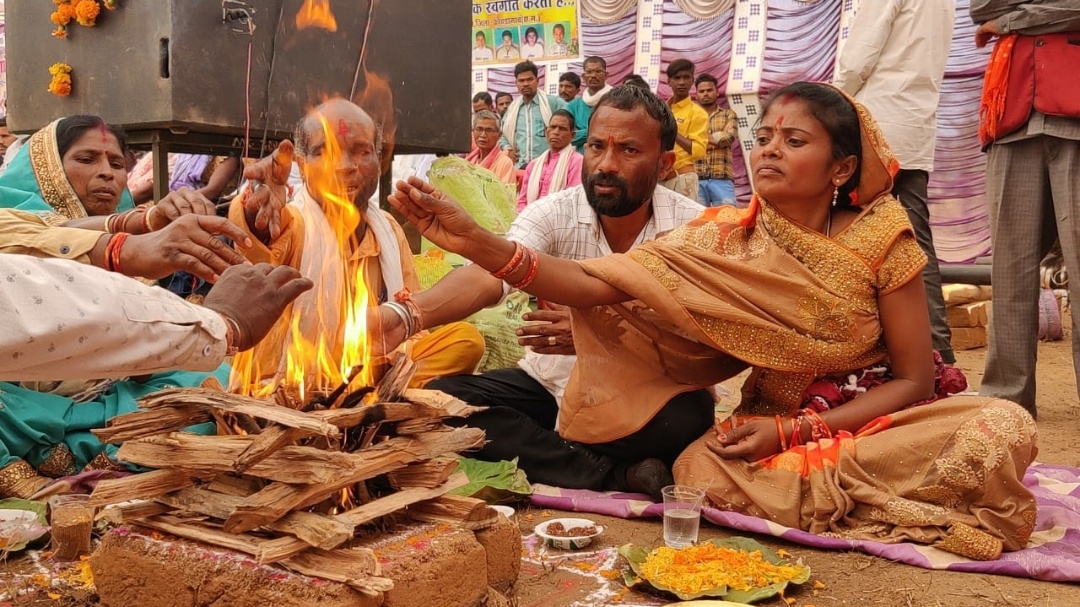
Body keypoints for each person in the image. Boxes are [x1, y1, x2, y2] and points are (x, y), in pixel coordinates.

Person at [388, 82, 1037, 559]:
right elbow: (592, 281)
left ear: (842, 167)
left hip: (870, 418)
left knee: (1001, 423)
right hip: (753, 419)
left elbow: (915, 378)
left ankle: (869, 485)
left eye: (794, 140)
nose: (769, 151)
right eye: (764, 138)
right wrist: (477, 244)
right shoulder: (727, 238)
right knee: (696, 471)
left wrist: (796, 427)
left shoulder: (883, 238)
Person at [382, 85, 706, 501]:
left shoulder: (693, 229)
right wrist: (403, 317)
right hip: (550, 385)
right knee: (441, 401)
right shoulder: (554, 211)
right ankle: (611, 475)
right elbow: (490, 277)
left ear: (664, 165)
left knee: (687, 418)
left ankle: (560, 457)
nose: (606, 164)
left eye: (628, 151)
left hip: (643, 398)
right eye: (596, 146)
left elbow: (702, 335)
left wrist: (598, 337)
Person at [0, 255, 311, 499]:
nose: (107, 175)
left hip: (109, 389)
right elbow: (23, 306)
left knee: (215, 381)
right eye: (87, 166)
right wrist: (216, 324)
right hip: (29, 408)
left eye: (118, 167)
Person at [232, 98, 484, 394]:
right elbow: (258, 234)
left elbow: (412, 320)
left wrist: (389, 343)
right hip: (288, 381)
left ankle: (364, 395)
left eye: (361, 151)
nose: (344, 167)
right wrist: (253, 207)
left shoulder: (388, 229)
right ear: (301, 163)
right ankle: (365, 396)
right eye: (324, 152)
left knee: (466, 341)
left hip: (374, 364)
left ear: (380, 161)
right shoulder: (293, 222)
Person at [971, 1, 1080, 418]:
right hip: (1012, 113)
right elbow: (981, 10)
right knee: (1010, 268)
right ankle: (1006, 400)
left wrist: (1011, 20)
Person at [835, 0, 957, 364]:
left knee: (848, 236)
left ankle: (856, 351)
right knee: (916, 244)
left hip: (876, 126)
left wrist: (827, 104)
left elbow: (857, 59)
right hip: (916, 129)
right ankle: (937, 353)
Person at [0, 116, 253, 285]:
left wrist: (253, 213)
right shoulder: (8, 224)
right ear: (45, 169)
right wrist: (146, 221)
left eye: (117, 163)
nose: (107, 173)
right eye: (87, 160)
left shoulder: (149, 240)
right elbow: (46, 232)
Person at [500, 61, 567, 169]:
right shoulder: (512, 109)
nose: (525, 83)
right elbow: (502, 135)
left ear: (537, 81)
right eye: (521, 80)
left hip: (549, 167)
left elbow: (573, 127)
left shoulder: (552, 103)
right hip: (520, 167)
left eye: (529, 79)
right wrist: (508, 149)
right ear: (516, 83)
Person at [659, 59, 707, 200]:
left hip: (683, 179)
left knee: (685, 222)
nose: (681, 82)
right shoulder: (660, 109)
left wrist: (672, 130)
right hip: (659, 179)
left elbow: (698, 151)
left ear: (692, 80)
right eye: (677, 78)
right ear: (668, 81)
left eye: (686, 77)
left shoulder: (697, 113)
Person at [516, 110, 582, 211]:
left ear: (572, 135)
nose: (556, 132)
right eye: (553, 127)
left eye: (562, 129)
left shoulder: (577, 161)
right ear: (546, 131)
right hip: (529, 220)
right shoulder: (533, 165)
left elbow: (572, 201)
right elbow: (522, 201)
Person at [693, 74, 738, 207]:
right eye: (701, 91)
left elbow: (728, 138)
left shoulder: (728, 114)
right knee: (697, 223)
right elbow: (685, 143)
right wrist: (716, 140)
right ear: (696, 94)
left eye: (709, 90)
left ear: (717, 92)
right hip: (696, 179)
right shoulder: (692, 117)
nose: (705, 94)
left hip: (722, 177)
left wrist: (699, 140)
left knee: (728, 221)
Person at [567, 57, 613, 152]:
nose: (593, 75)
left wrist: (581, 133)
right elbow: (567, 136)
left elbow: (614, 132)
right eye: (589, 72)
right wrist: (595, 131)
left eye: (598, 71)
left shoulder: (616, 100)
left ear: (606, 75)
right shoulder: (574, 105)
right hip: (580, 159)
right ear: (583, 76)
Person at [466, 110, 517, 186]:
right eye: (479, 129)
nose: (483, 135)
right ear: (473, 131)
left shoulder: (505, 163)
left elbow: (505, 195)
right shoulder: (470, 160)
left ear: (499, 135)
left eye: (489, 130)